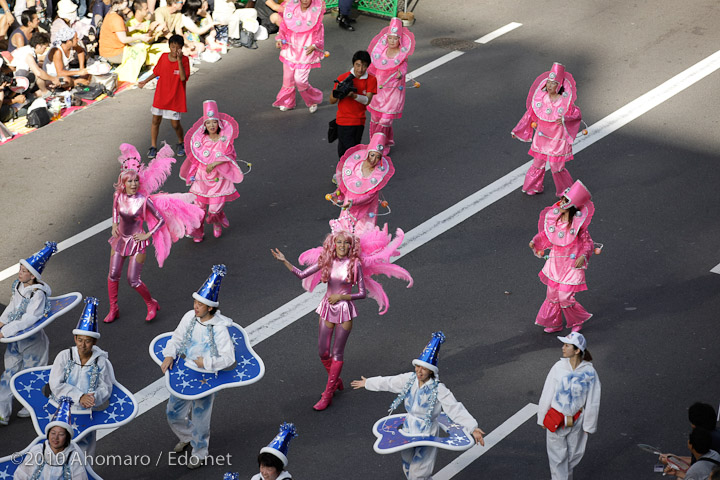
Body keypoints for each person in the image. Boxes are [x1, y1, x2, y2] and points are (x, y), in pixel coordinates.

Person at [271, 224, 412, 411]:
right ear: (333, 244)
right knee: (323, 352)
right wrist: (284, 261)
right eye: (339, 242)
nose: (342, 245)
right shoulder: (327, 260)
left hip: (345, 309)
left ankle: (327, 394)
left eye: (346, 243)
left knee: (337, 353)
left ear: (350, 246)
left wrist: (341, 296)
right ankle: (335, 380)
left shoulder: (355, 264)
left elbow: (361, 292)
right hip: (327, 308)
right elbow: (302, 274)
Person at [351, 331, 485, 480]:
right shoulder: (409, 380)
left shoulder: (438, 389)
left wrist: (472, 427)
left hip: (427, 432)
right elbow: (389, 382)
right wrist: (368, 383)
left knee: (419, 473)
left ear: (431, 371)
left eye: (424, 368)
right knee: (408, 466)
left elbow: (454, 407)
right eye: (418, 367)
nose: (419, 371)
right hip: (408, 429)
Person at [161, 265, 235, 470]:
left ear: (210, 308)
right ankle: (187, 436)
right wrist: (169, 354)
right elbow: (176, 337)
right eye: (195, 302)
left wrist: (208, 363)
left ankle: (200, 452)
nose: (196, 306)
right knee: (173, 413)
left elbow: (228, 358)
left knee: (201, 419)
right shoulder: (189, 317)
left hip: (206, 377)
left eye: (200, 304)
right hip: (186, 372)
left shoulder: (219, 328)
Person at [48, 297, 113, 456]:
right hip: (61, 412)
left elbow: (106, 388)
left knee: (84, 452)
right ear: (75, 339)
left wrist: (92, 398)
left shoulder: (101, 362)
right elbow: (56, 384)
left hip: (86, 413)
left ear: (94, 342)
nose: (83, 345)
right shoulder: (64, 356)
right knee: (57, 448)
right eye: (80, 340)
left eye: (88, 341)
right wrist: (79, 396)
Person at [0, 242, 56, 426]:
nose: (20, 273)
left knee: (32, 374)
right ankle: (2, 411)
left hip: (33, 342)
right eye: (20, 269)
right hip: (16, 341)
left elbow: (30, 319)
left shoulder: (37, 294)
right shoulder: (18, 286)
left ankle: (32, 407)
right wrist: (2, 321)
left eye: (24, 271)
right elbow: (12, 307)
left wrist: (6, 331)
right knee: (9, 373)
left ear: (32, 275)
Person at [529, 180, 595, 333]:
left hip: (571, 266)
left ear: (571, 206)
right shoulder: (556, 219)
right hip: (555, 264)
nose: (561, 203)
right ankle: (554, 323)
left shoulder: (578, 227)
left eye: (565, 201)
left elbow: (588, 244)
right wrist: (535, 241)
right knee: (552, 295)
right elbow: (547, 235)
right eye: (562, 199)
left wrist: (583, 256)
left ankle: (577, 321)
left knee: (565, 297)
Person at [512, 62, 582, 196]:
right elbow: (529, 115)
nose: (549, 86)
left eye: (553, 83)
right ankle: (533, 186)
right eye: (548, 83)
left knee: (557, 166)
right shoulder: (541, 98)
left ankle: (565, 190)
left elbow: (576, 114)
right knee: (538, 162)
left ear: (559, 85)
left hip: (557, 139)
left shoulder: (564, 101)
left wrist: (564, 119)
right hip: (542, 137)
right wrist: (518, 129)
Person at [537, 332, 601, 480]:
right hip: (556, 419)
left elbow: (593, 400)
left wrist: (588, 425)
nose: (563, 348)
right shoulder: (558, 367)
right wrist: (542, 418)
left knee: (574, 455)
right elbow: (547, 392)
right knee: (557, 459)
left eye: (567, 345)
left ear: (577, 350)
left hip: (576, 421)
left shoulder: (589, 372)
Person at [180, 99, 244, 240]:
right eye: (208, 123)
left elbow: (230, 155)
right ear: (204, 125)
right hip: (202, 180)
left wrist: (214, 164)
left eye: (214, 122)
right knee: (199, 208)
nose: (211, 125)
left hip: (219, 179)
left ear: (219, 123)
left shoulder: (225, 140)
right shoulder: (200, 140)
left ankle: (217, 220)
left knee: (214, 209)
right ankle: (197, 232)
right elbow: (194, 157)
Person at [329, 132, 394, 235]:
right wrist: (337, 194)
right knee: (344, 234)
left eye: (377, 157)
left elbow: (369, 196)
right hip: (348, 208)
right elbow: (346, 183)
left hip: (366, 211)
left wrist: (353, 203)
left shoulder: (377, 175)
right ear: (368, 153)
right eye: (372, 155)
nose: (374, 159)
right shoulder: (355, 165)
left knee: (362, 236)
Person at [366, 17, 414, 152]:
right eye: (390, 38)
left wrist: (401, 73)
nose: (392, 41)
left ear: (400, 39)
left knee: (385, 121)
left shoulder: (402, 54)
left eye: (395, 38)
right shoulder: (380, 51)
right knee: (375, 119)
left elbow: (404, 67)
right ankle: (382, 142)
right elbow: (372, 69)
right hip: (378, 92)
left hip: (393, 92)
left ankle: (377, 148)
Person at [138, 34, 189, 159]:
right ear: (169, 47)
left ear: (181, 48)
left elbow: (183, 78)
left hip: (175, 98)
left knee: (175, 124)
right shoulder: (163, 57)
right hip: (161, 96)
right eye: (172, 47)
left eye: (177, 48)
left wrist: (179, 61)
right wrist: (145, 81)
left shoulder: (185, 60)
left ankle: (181, 142)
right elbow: (156, 72)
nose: (174, 50)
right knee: (156, 121)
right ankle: (153, 146)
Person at [13, 397, 89, 480]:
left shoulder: (73, 457)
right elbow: (21, 475)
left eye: (61, 434)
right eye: (53, 433)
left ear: (67, 437)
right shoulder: (37, 451)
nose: (55, 438)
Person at [271, 0, 324, 113]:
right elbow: (284, 27)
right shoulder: (291, 9)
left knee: (300, 81)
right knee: (288, 79)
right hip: (290, 50)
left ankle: (312, 101)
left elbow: (319, 34)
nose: (305, 1)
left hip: (305, 54)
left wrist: (314, 45)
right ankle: (287, 102)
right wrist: (280, 39)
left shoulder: (315, 13)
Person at [330, 50, 377, 158]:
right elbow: (332, 101)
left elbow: (367, 100)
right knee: (350, 152)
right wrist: (339, 91)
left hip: (359, 121)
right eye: (358, 65)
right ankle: (344, 173)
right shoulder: (342, 78)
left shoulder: (371, 79)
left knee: (351, 150)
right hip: (343, 120)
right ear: (353, 64)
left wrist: (353, 96)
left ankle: (344, 172)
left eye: (364, 66)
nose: (360, 69)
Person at [99, 0, 151, 64]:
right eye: (126, 4)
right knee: (142, 53)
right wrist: (140, 37)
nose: (127, 8)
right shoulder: (116, 18)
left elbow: (119, 30)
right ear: (119, 3)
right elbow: (124, 39)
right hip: (113, 53)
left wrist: (134, 27)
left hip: (106, 52)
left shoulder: (110, 14)